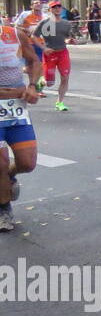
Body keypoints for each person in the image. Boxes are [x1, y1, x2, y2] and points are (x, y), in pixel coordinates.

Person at [0, 21, 42, 232]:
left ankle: (9, 176)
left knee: (27, 163)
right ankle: (3, 209)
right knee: (0, 163)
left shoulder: (14, 35)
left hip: (15, 107)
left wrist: (32, 86)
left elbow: (34, 60)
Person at [37, 1, 74, 111]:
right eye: (54, 7)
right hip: (49, 54)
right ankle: (41, 81)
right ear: (50, 10)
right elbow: (34, 36)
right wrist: (44, 48)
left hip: (63, 53)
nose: (57, 8)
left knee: (65, 78)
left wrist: (69, 40)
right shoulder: (44, 23)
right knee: (49, 83)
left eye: (59, 6)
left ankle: (60, 102)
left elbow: (66, 37)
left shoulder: (66, 24)